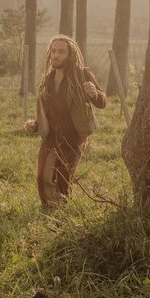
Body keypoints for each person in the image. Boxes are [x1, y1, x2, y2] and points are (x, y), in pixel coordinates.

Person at [24, 35, 107, 207]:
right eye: (53, 51)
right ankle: (49, 208)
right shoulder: (47, 80)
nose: (56, 55)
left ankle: (62, 209)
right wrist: (36, 125)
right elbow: (48, 113)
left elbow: (102, 103)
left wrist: (94, 94)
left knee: (64, 177)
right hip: (51, 136)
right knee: (42, 177)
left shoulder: (82, 74)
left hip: (73, 137)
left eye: (61, 52)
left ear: (70, 55)